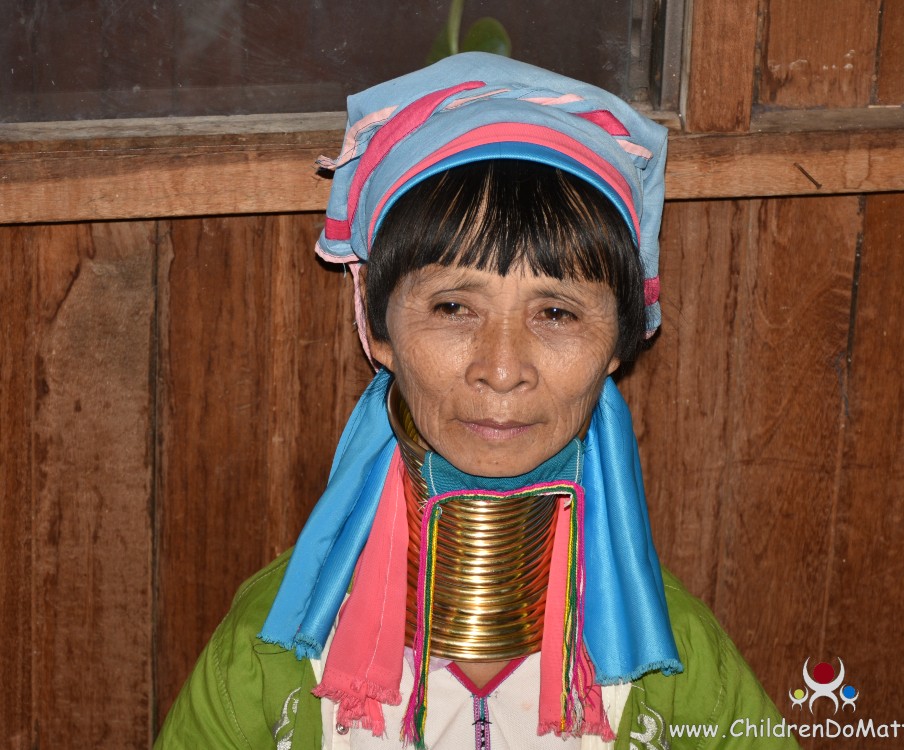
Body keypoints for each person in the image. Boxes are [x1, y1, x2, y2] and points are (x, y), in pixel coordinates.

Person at [156, 52, 799, 749]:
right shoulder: (269, 655)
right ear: (376, 327)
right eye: (455, 306)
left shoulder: (675, 668)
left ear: (618, 345)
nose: (501, 369)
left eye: (556, 313)